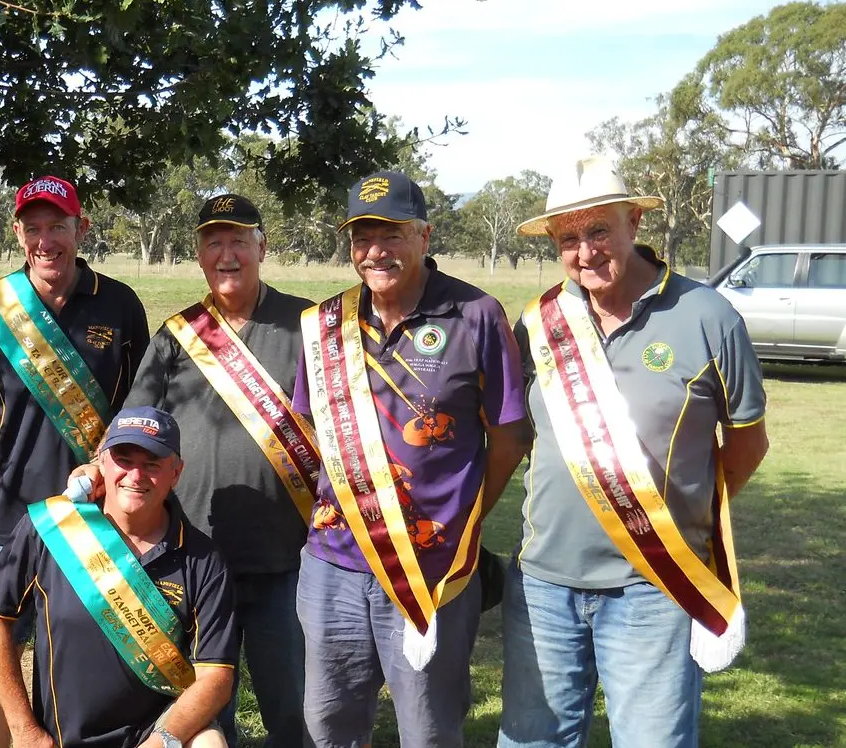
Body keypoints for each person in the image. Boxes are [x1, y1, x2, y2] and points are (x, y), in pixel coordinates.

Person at [499, 156, 770, 748]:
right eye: (568, 239)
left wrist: (680, 513)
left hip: (656, 587)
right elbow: (523, 439)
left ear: (634, 224)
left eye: (599, 231)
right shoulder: (539, 325)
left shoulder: (708, 316)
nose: (585, 251)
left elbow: (747, 446)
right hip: (544, 582)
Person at [291, 171, 528, 747]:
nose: (376, 251)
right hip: (333, 564)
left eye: (392, 234)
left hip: (435, 571)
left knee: (427, 729)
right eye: (363, 237)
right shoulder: (326, 325)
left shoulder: (476, 314)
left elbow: (510, 436)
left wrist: (463, 516)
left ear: (424, 235)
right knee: (329, 725)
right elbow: (310, 429)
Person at [0, 175, 150, 746]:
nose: (46, 240)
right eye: (32, 228)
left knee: (91, 661)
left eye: (57, 226)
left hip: (96, 521)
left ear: (79, 229)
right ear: (17, 232)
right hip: (5, 519)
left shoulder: (121, 304)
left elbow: (137, 414)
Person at [117, 193, 317, 747]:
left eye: (238, 240)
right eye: (213, 242)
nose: (226, 254)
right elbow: (132, 431)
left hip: (288, 557)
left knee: (292, 704)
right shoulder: (177, 336)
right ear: (200, 255)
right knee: (202, 707)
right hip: (196, 560)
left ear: (262, 246)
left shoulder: (308, 326)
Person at [0, 406, 237, 748]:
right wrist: (26, 732)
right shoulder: (52, 528)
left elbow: (215, 676)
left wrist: (159, 743)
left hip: (153, 736)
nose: (135, 476)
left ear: (176, 473)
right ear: (101, 463)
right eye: (124, 460)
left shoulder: (203, 558)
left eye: (152, 464)